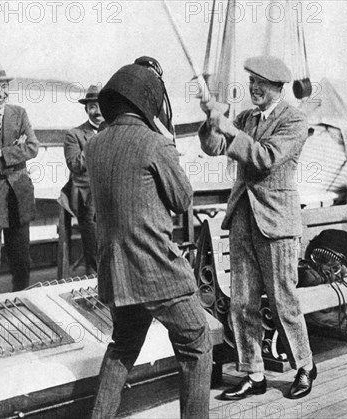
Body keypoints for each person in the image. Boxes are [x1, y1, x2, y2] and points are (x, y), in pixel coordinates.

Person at [86, 64, 212, 418]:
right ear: (149, 102)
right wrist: (168, 146)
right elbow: (182, 200)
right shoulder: (155, 143)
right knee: (196, 342)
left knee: (123, 347)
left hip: (117, 273)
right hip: (156, 271)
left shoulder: (94, 146)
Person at [198, 56, 316, 400]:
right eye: (251, 82)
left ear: (278, 87)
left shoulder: (294, 120)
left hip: (277, 222)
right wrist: (211, 120)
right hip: (243, 219)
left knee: (283, 300)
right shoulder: (247, 118)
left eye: (260, 84)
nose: (253, 88)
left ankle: (305, 366)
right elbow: (214, 147)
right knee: (243, 302)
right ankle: (254, 373)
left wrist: (229, 127)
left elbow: (264, 158)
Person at [0, 62, 38, 294]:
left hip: (19, 197)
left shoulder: (20, 113)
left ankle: (23, 306)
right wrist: (15, 155)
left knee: (22, 263)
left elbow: (33, 147)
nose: (1, 93)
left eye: (4, 87)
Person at [63, 85, 103, 275]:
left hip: (115, 198)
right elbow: (75, 165)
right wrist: (97, 143)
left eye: (101, 105)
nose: (98, 111)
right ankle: (93, 288)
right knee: (94, 254)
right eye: (93, 106)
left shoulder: (117, 131)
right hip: (89, 201)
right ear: (86, 109)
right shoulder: (74, 135)